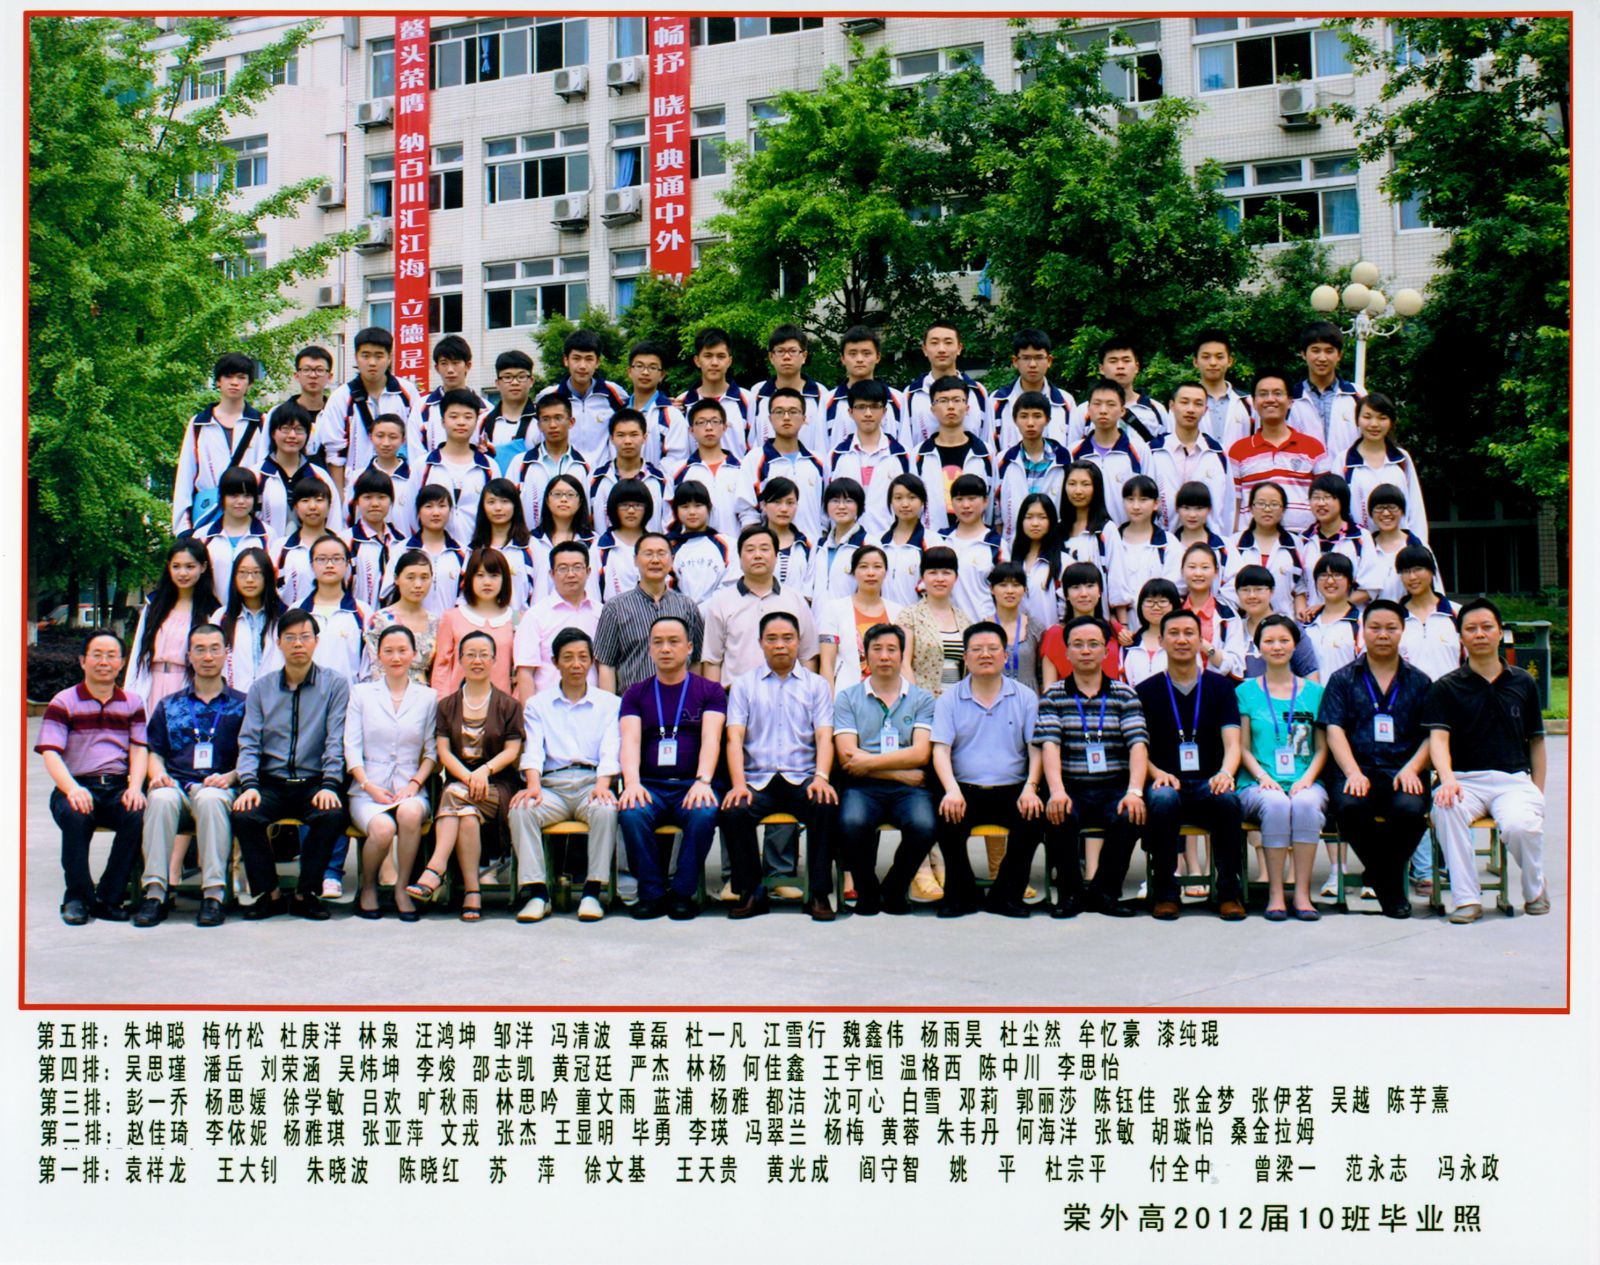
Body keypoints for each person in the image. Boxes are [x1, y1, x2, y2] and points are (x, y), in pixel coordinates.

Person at [1425, 598, 1549, 923]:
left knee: (1521, 826)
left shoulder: (1523, 682)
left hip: (1513, 781)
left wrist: (1537, 791)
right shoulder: (1445, 687)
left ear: (1499, 632)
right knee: (1445, 809)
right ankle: (1467, 900)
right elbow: (1438, 739)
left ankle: (1535, 890)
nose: (1479, 634)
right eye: (1471, 629)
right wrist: (1447, 779)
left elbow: (1536, 741)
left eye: (1486, 627)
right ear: (1461, 637)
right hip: (1464, 781)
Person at [1314, 599, 1434, 919]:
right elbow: (1334, 729)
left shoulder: (1420, 681)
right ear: (1362, 631)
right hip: (1356, 769)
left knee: (1411, 812)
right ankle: (1391, 889)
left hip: (1402, 770)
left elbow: (1431, 734)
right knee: (1350, 808)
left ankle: (1378, 875)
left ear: (1402, 631)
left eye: (1391, 628)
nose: (1383, 635)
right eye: (1375, 628)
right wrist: (1353, 772)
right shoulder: (1342, 679)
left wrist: (1413, 768)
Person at [230, 609, 350, 921]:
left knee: (332, 814)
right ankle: (268, 893)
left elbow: (335, 739)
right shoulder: (261, 688)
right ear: (279, 643)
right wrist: (249, 784)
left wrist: (330, 784)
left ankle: (304, 894)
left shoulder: (334, 685)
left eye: (305, 637)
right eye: (290, 638)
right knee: (245, 815)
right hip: (271, 782)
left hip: (313, 782)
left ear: (316, 642)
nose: (298, 644)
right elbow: (249, 741)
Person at [721, 612, 839, 921]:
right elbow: (734, 738)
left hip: (803, 778)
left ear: (799, 641)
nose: (780, 645)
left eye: (787, 638)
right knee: (733, 810)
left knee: (825, 805)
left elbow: (824, 736)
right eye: (771, 639)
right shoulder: (744, 685)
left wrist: (821, 777)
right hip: (757, 779)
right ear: (760, 643)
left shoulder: (816, 685)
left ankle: (818, 893)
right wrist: (738, 784)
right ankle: (751, 892)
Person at [1134, 610, 1247, 921]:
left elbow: (1233, 743)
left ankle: (1228, 892)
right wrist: (1157, 774)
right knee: (1162, 799)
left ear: (1201, 640)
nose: (1182, 640)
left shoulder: (1220, 687)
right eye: (1174, 633)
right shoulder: (1145, 691)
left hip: (1210, 780)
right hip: (1165, 781)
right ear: (1161, 640)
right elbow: (1138, 747)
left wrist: (1225, 773)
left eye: (1189, 633)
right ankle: (1166, 893)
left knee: (1228, 800)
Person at [1033, 615, 1148, 918]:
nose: (1086, 651)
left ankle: (1105, 892)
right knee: (1059, 813)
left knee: (1132, 814)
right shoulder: (1054, 695)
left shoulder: (1124, 694)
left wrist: (1134, 791)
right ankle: (1070, 893)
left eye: (1093, 644)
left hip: (1114, 785)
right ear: (1067, 652)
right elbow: (1049, 745)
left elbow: (1137, 744)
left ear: (1106, 651)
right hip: (1071, 784)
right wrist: (1056, 790)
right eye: (1078, 645)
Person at [408, 630, 525, 921]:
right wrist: (469, 777)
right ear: (460, 660)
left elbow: (512, 751)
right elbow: (444, 752)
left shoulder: (508, 705)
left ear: (495, 660)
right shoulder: (447, 705)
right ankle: (473, 892)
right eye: (470, 654)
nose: (477, 660)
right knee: (467, 815)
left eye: (484, 655)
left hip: (499, 784)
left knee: (454, 795)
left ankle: (435, 870)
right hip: (462, 783)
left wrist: (483, 771)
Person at [929, 622, 1044, 918]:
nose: (985, 655)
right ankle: (962, 895)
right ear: (965, 657)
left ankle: (1006, 896)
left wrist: (1031, 787)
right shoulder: (949, 699)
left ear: (1005, 656)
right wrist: (951, 790)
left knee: (1032, 821)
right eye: (977, 649)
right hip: (964, 789)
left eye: (993, 649)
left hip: (1013, 788)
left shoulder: (1025, 697)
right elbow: (940, 750)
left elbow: (1035, 748)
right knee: (946, 819)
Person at [508, 629, 622, 923]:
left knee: (606, 809)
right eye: (568, 658)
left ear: (592, 662)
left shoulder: (609, 703)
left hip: (590, 784)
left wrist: (603, 784)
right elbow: (534, 749)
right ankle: (537, 893)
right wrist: (533, 785)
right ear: (555, 662)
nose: (576, 664)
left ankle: (592, 892)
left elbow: (611, 749)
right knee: (522, 809)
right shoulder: (538, 704)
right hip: (552, 787)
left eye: (583, 657)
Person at [617, 616, 728, 920]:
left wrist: (703, 781)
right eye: (658, 642)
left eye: (673, 642)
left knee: (704, 813)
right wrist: (632, 783)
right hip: (650, 784)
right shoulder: (635, 693)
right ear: (650, 648)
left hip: (692, 783)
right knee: (631, 812)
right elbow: (630, 741)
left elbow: (712, 739)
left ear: (689, 647)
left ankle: (682, 892)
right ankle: (651, 893)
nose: (665, 649)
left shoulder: (710, 691)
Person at [35, 630, 148, 925]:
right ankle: (77, 898)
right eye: (97, 655)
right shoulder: (63, 701)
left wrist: (135, 787)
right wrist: (72, 789)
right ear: (83, 661)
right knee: (76, 815)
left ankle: (110, 897)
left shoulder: (133, 702)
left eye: (111, 656)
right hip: (75, 785)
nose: (104, 662)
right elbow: (50, 752)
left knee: (137, 813)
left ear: (121, 663)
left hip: (116, 786)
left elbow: (139, 749)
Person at [832, 623, 939, 914]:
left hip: (908, 790)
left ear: (902, 655)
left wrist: (867, 762)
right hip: (865, 786)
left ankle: (894, 886)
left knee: (925, 826)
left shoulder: (921, 699)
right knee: (851, 823)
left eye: (892, 649)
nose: (884, 656)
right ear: (865, 655)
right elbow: (846, 756)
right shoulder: (848, 698)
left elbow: (921, 752)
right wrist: (898, 772)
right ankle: (866, 890)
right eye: (877, 649)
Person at [1235, 615, 1328, 921]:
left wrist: (1308, 779)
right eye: (1269, 641)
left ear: (1295, 645)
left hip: (1305, 779)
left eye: (1284, 640)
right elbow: (1242, 747)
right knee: (1275, 804)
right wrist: (1263, 777)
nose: (1277, 647)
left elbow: (1321, 747)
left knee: (1305, 804)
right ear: (1258, 647)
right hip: (1257, 782)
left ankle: (1301, 893)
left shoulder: (1314, 692)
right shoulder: (1245, 692)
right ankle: (1275, 893)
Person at [343, 623, 438, 921]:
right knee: (383, 829)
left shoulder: (428, 697)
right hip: (368, 788)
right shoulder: (361, 694)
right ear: (378, 655)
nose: (396, 657)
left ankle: (402, 887)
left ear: (413, 654)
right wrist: (367, 785)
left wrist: (414, 784)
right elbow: (351, 748)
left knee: (410, 812)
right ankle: (369, 886)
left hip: (409, 785)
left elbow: (431, 752)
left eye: (402, 650)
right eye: (389, 651)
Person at [313, 325, 424, 497]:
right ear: (356, 357)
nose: (372, 362)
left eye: (379, 356)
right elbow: (335, 454)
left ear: (389, 358)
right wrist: (339, 497)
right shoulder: (341, 397)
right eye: (365, 355)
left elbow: (416, 441)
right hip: (356, 489)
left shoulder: (407, 392)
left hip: (402, 487)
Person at [701, 524, 820, 683]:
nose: (757, 555)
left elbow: (808, 656)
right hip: (735, 695)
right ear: (739, 558)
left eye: (764, 549)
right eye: (750, 550)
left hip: (788, 694)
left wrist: (805, 692)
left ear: (776, 556)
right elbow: (712, 661)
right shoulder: (720, 602)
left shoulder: (795, 600)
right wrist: (716, 697)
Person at [594, 533, 705, 694]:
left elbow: (696, 660)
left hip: (680, 703)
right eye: (648, 554)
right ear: (635, 560)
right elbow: (606, 664)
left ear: (672, 560)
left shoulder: (687, 606)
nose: (655, 560)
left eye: (661, 554)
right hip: (634, 705)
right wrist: (610, 706)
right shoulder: (615, 608)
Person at [172, 351, 267, 537]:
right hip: (207, 515)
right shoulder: (199, 424)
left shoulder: (261, 422)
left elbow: (266, 475)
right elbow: (185, 476)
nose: (234, 382)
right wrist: (183, 528)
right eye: (228, 376)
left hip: (250, 516)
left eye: (241, 377)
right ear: (218, 381)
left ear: (250, 383)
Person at [1227, 371, 1330, 534]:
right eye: (1263, 394)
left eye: (1277, 393)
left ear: (1290, 401)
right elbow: (1234, 504)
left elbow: (1325, 498)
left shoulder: (1314, 448)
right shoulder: (1238, 451)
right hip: (1252, 540)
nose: (1270, 399)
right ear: (1254, 402)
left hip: (1303, 540)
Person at [127, 539, 220, 714]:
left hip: (188, 685)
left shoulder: (212, 612)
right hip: (151, 684)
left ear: (203, 567)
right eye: (176, 566)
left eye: (190, 567)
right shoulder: (154, 606)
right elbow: (137, 654)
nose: (182, 573)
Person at [735, 386, 828, 542]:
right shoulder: (755, 459)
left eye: (793, 412)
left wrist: (820, 540)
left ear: (804, 418)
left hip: (813, 549)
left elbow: (826, 509)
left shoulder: (818, 461)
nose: (786, 417)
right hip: (771, 549)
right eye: (779, 412)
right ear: (770, 418)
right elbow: (747, 510)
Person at [826, 379, 913, 538]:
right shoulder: (836, 455)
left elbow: (914, 502)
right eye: (861, 407)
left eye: (874, 407)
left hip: (890, 542)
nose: (868, 413)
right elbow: (826, 502)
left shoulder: (902, 455)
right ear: (850, 412)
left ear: (884, 411)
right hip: (846, 541)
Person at [514, 540, 600, 700]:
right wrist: (530, 713)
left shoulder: (601, 613)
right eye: (563, 568)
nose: (571, 574)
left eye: (577, 567)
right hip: (548, 709)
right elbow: (525, 672)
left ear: (588, 572)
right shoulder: (535, 616)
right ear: (551, 574)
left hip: (592, 707)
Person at [1342, 390, 1430, 540]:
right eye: (1367, 417)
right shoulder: (1344, 460)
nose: (1374, 424)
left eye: (1382, 418)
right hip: (1359, 545)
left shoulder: (1401, 459)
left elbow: (1415, 508)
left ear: (1391, 422)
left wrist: (1420, 545)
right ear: (1357, 420)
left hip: (1399, 546)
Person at [817, 544, 907, 690]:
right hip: (847, 694)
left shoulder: (898, 612)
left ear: (885, 572)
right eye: (863, 567)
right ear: (853, 572)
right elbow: (827, 664)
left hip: (890, 694)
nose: (870, 573)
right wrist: (829, 700)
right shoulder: (834, 609)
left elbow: (904, 663)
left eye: (877, 567)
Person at [912, 375, 996, 532]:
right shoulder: (919, 454)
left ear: (967, 407)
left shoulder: (985, 452)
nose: (951, 406)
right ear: (932, 409)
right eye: (943, 401)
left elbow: (991, 499)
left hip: (975, 536)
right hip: (932, 538)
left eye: (957, 400)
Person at [1150, 381, 1233, 535]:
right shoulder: (1153, 451)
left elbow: (1228, 506)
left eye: (1198, 404)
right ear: (1172, 405)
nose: (1190, 409)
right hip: (1163, 542)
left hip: (1208, 543)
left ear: (1205, 410)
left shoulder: (1217, 452)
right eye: (1184, 402)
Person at [536, 328, 632, 462]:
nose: (582, 366)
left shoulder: (614, 393)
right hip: (564, 472)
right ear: (566, 360)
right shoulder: (549, 396)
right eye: (576, 358)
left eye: (589, 359)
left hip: (602, 473)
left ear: (598, 362)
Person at [432, 547, 517, 694]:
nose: (487, 582)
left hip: (502, 704)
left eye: (494, 575)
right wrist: (443, 703)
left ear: (504, 579)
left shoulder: (517, 618)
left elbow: (521, 670)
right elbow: (442, 667)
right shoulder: (451, 617)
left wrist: (514, 704)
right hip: (459, 702)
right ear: (470, 578)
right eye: (480, 575)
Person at [415, 387, 494, 545]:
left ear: (476, 422)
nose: (461, 422)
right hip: (433, 553)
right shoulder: (423, 465)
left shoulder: (489, 466)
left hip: (479, 553)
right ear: (443, 421)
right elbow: (411, 513)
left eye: (468, 417)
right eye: (453, 416)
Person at [1069, 378, 1153, 525]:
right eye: (1097, 404)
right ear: (1088, 409)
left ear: (1122, 410)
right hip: (1086, 534)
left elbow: (1150, 495)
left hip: (1127, 534)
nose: (1103, 410)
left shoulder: (1140, 450)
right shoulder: (1073, 452)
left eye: (1111, 404)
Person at [994, 391, 1072, 546]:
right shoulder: (1004, 459)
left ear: (1047, 420)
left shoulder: (1063, 457)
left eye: (1037, 416)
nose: (1030, 423)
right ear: (1015, 420)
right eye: (1024, 416)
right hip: (1014, 543)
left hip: (1054, 542)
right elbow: (997, 508)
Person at [897, 545, 973, 700]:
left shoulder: (964, 620)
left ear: (956, 577)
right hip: (921, 703)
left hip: (957, 703)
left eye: (946, 572)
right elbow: (903, 663)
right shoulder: (909, 616)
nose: (940, 579)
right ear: (922, 577)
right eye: (933, 572)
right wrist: (918, 701)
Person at [509, 393, 593, 529]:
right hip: (530, 539)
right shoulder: (521, 463)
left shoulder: (586, 464)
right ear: (539, 425)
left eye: (558, 418)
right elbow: (509, 505)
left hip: (574, 539)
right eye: (546, 419)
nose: (553, 425)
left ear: (571, 422)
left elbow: (591, 510)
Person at [902, 320, 989, 450]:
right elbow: (906, 445)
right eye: (934, 343)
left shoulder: (977, 391)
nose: (941, 349)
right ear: (925, 349)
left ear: (959, 348)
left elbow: (987, 440)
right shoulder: (911, 394)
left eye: (948, 342)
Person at [1223, 482, 1307, 618]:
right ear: (1251, 508)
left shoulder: (1295, 543)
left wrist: (1300, 607)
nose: (1267, 509)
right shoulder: (1234, 543)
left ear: (1283, 509)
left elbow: (1300, 584)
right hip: (1243, 622)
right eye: (1261, 504)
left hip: (1284, 621)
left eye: (1274, 504)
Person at [256, 402, 339, 539]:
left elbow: (333, 520)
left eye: (299, 429)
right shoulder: (256, 475)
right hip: (266, 550)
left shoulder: (320, 476)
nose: (292, 435)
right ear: (273, 433)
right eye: (285, 429)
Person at [1066, 337, 1170, 445]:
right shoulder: (1085, 411)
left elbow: (1167, 449)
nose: (1120, 366)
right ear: (1101, 368)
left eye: (1126, 361)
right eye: (1113, 361)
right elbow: (1073, 450)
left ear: (1137, 367)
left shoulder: (1156, 409)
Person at [1225, 565, 1321, 682]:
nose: (1252, 596)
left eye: (1259, 589)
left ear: (1272, 591)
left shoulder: (1290, 627)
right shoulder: (1233, 628)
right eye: (1245, 590)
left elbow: (1310, 673)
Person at [821, 324, 908, 452]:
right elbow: (821, 449)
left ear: (878, 357)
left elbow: (905, 447)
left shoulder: (897, 399)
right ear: (842, 358)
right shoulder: (827, 401)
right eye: (853, 354)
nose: (860, 359)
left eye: (866, 353)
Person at [384, 483, 466, 617]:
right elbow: (387, 593)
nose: (436, 512)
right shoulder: (402, 550)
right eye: (428, 506)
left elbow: (467, 598)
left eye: (442, 506)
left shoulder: (462, 553)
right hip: (408, 626)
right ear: (418, 512)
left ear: (451, 511)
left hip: (451, 627)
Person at [298, 535, 372, 684]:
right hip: (305, 696)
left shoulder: (362, 612)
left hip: (349, 696)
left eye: (337, 559)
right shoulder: (298, 611)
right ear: (312, 565)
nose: (330, 565)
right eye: (322, 559)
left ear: (347, 564)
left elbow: (369, 667)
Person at [1106, 474, 1179, 624]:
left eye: (1143, 500)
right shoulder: (1112, 540)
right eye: (1130, 499)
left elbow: (1174, 587)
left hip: (1159, 623)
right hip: (1120, 625)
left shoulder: (1168, 543)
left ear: (1156, 504)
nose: (1136, 506)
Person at [1041, 562, 1127, 687]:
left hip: (1111, 698)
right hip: (1068, 699)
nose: (1084, 594)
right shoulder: (1055, 634)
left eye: (1090, 586)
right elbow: (1049, 686)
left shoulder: (1113, 630)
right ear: (1066, 594)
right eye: (1076, 587)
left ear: (1100, 591)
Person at [677, 327, 756, 458]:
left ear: (729, 361)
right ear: (697, 361)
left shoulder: (747, 399)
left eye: (721, 356)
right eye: (708, 356)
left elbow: (755, 447)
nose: (714, 363)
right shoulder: (682, 402)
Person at [749, 323, 828, 453]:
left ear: (804, 356)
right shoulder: (757, 393)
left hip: (809, 464)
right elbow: (752, 439)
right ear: (771, 357)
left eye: (793, 351)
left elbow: (824, 442)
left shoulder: (820, 394)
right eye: (780, 351)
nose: (786, 357)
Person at [670, 398, 743, 539]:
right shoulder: (678, 471)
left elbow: (749, 514)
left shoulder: (741, 468)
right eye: (701, 422)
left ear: (724, 427)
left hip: (735, 547)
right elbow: (670, 517)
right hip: (693, 547)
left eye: (715, 421)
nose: (709, 427)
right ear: (691, 430)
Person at [196, 466, 271, 603]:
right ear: (221, 498)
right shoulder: (202, 536)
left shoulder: (267, 535)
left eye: (247, 496)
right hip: (211, 613)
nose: (241, 501)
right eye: (234, 495)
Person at [465, 476, 541, 611]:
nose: (498, 508)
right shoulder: (474, 548)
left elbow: (540, 592)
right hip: (482, 620)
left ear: (515, 505)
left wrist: (524, 621)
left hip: (519, 619)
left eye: (505, 501)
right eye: (491, 502)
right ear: (483, 506)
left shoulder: (531, 546)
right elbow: (465, 592)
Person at [589, 409, 669, 535]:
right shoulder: (596, 479)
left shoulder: (660, 480)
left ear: (644, 437)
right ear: (611, 438)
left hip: (651, 546)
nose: (627, 441)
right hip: (607, 547)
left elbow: (668, 524)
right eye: (621, 435)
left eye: (634, 435)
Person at [990, 329, 1073, 450]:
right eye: (1026, 358)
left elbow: (1072, 449)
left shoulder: (1065, 402)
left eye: (1039, 357)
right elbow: (991, 449)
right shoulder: (997, 401)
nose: (1032, 364)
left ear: (1049, 361)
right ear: (1015, 361)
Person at [366, 548, 439, 684]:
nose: (418, 585)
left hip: (425, 693)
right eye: (410, 577)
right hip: (387, 690)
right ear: (396, 579)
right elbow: (376, 668)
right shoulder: (380, 620)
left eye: (424, 577)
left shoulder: (435, 622)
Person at [271, 473, 344, 608]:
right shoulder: (281, 547)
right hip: (291, 618)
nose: (312, 507)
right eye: (305, 501)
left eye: (319, 500)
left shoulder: (342, 546)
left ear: (329, 506)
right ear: (296, 507)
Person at [1288, 321, 1361, 457]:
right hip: (1303, 470)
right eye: (1315, 350)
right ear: (1303, 354)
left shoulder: (1357, 395)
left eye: (1329, 351)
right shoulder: (1289, 398)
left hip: (1346, 469)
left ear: (1339, 355)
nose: (1322, 358)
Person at [219, 547, 286, 693]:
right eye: (243, 573)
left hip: (276, 699)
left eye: (256, 573)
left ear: (267, 576)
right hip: (233, 699)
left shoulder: (284, 616)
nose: (249, 579)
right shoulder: (221, 617)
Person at [940, 473, 1004, 621]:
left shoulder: (996, 545)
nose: (965, 505)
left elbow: (1006, 591)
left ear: (985, 501)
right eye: (959, 499)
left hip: (984, 629)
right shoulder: (941, 540)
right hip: (945, 629)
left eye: (972, 498)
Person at [527, 472, 598, 602]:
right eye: (557, 494)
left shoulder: (594, 542)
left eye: (570, 495)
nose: (564, 499)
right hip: (541, 613)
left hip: (584, 612)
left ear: (580, 502)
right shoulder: (531, 541)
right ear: (547, 500)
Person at [1397, 545, 1461, 682]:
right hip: (1409, 695)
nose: (1412, 577)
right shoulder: (1394, 617)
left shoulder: (1457, 613)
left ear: (1432, 571)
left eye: (1418, 569)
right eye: (1406, 571)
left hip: (1451, 693)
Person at [624, 340, 690, 471]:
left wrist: (646, 477)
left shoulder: (672, 416)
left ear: (662, 375)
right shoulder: (617, 412)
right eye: (639, 366)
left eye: (653, 367)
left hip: (657, 482)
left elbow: (676, 460)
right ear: (630, 371)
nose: (645, 372)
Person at [347, 467, 406, 609]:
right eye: (367, 497)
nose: (375, 504)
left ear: (391, 501)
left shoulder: (401, 542)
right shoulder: (346, 541)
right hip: (358, 617)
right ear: (357, 501)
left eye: (381, 497)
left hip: (395, 618)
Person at [1009, 493, 1068, 634]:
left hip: (1052, 640)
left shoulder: (1064, 563)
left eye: (1042, 517)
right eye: (1029, 517)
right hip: (1017, 641)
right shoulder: (1010, 559)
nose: (1035, 523)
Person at [666, 482, 733, 605]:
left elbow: (731, 584)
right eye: (685, 506)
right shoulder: (668, 547)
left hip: (719, 612)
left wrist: (707, 609)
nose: (692, 512)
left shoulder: (727, 544)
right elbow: (665, 585)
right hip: (678, 613)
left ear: (708, 508)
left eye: (698, 506)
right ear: (676, 511)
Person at [408, 334, 477, 454]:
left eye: (455, 363)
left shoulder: (485, 409)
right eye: (444, 363)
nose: (450, 370)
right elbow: (415, 452)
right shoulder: (421, 407)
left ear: (468, 366)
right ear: (436, 368)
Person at [1178, 543, 1239, 676]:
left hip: (1215, 685)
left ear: (1216, 572)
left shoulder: (1228, 615)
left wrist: (1204, 646)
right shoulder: (1173, 612)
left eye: (1205, 567)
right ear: (1182, 571)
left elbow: (1236, 664)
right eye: (1192, 567)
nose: (1198, 573)